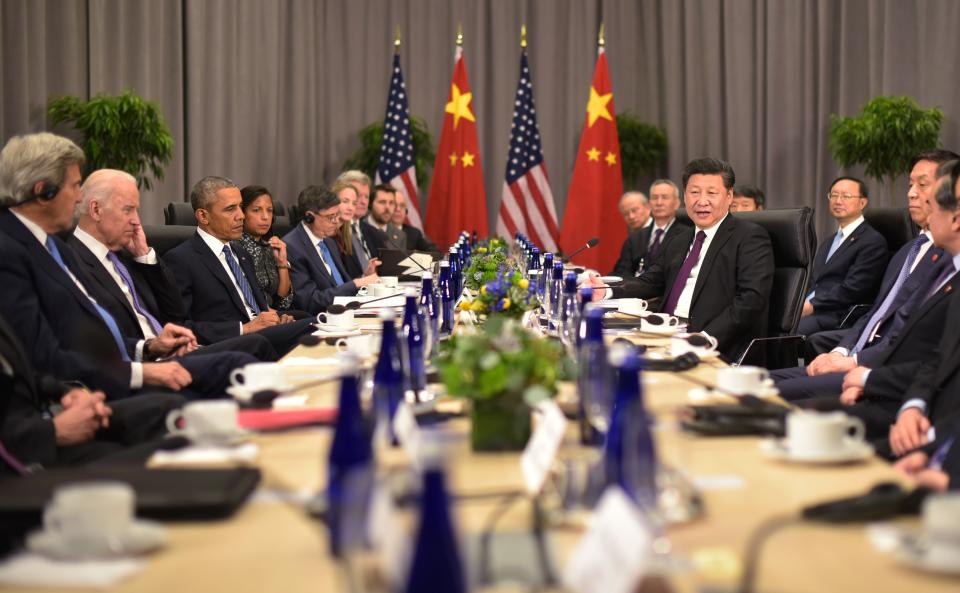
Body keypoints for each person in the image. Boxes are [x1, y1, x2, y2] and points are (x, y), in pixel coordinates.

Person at [771, 152, 959, 406]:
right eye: (910, 185)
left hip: (884, 369)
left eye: (923, 185)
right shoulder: (908, 250)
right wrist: (840, 351)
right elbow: (875, 313)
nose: (912, 193)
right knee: (763, 381)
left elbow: (910, 335)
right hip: (861, 350)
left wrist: (855, 363)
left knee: (772, 394)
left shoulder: (947, 259)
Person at [67, 169, 278, 362]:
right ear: (95, 210)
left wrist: (146, 256)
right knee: (258, 344)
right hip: (147, 362)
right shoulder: (72, 261)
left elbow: (174, 313)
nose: (136, 221)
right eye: (128, 210)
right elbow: (92, 342)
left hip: (175, 352)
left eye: (136, 211)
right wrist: (150, 349)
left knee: (299, 326)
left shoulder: (127, 255)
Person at [593, 158, 774, 360]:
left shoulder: (750, 237)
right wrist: (606, 291)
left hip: (713, 344)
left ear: (729, 196)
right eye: (694, 192)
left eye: (712, 193)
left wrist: (703, 338)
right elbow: (652, 281)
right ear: (685, 197)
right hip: (663, 334)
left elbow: (751, 301)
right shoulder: (679, 240)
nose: (702, 201)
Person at [0, 312, 184, 474]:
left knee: (170, 411)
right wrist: (53, 431)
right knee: (177, 447)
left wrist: (66, 392)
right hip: (23, 458)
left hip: (41, 424)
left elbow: (24, 372)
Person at [163, 176, 314, 356]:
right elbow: (179, 327)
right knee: (315, 327)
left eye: (240, 207)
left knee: (307, 319)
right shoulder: (180, 259)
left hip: (261, 331)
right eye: (230, 209)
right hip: (234, 341)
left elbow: (257, 306)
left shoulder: (239, 251)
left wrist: (276, 317)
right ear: (203, 216)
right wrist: (244, 328)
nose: (241, 216)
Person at [797, 177, 888, 334]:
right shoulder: (829, 241)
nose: (838, 201)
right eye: (834, 195)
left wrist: (812, 305)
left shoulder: (872, 242)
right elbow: (814, 281)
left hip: (838, 315)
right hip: (812, 309)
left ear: (862, 202)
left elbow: (853, 289)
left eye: (846, 196)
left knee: (788, 334)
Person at [284, 185, 379, 313]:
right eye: (330, 217)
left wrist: (364, 276)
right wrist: (357, 283)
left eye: (337, 215)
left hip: (346, 311)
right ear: (309, 217)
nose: (336, 222)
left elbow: (341, 285)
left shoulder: (329, 242)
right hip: (321, 319)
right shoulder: (292, 248)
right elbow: (310, 301)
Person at [610, 180, 683, 277]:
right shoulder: (635, 238)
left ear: (677, 203)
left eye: (665, 197)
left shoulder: (686, 235)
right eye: (654, 198)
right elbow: (622, 272)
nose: (659, 203)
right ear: (650, 203)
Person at [237, 185, 294, 310]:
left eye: (269, 210)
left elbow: (283, 302)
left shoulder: (269, 246)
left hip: (273, 316)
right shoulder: (234, 248)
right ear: (242, 213)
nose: (265, 217)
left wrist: (282, 262)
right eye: (257, 210)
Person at [335, 170, 388, 268]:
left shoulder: (373, 232)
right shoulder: (334, 231)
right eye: (358, 195)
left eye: (366, 197)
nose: (363, 202)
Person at [330, 179, 379, 279]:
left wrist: (366, 275)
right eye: (345, 201)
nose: (350, 208)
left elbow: (348, 279)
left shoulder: (346, 235)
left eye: (354, 203)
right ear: (333, 202)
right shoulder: (327, 235)